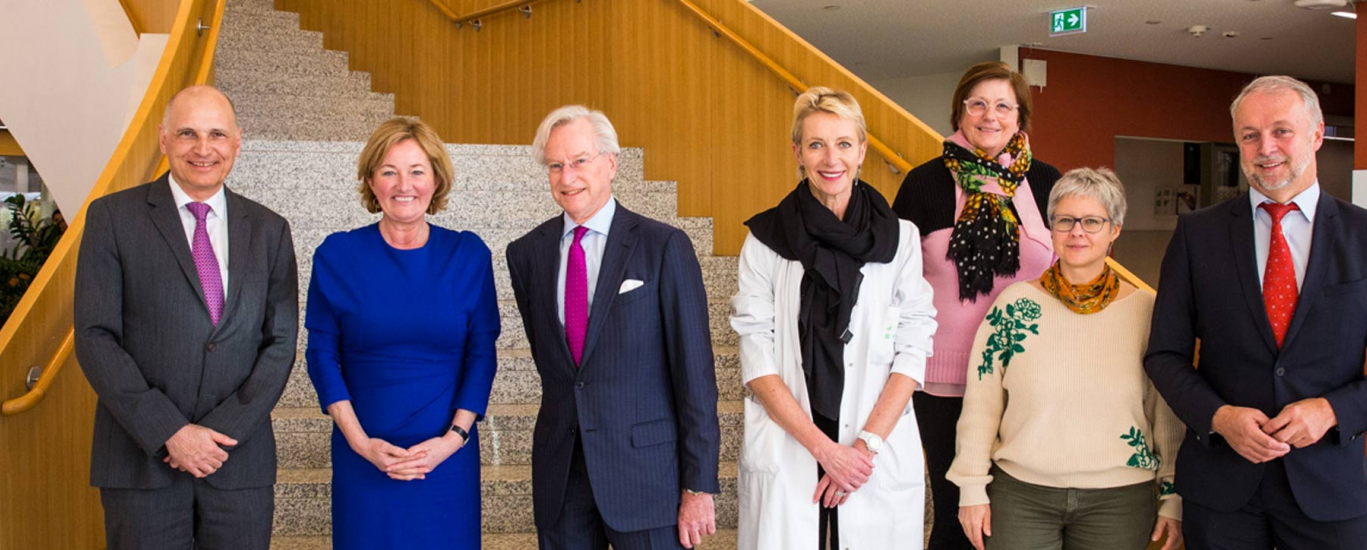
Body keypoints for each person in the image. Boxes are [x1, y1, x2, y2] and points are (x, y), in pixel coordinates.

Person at [1145, 75, 1367, 549]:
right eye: (1250, 135)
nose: (1266, 148)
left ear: (1317, 134)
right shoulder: (1198, 235)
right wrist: (1218, 417)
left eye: (1282, 131)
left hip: (1329, 487)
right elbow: (1165, 355)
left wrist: (1330, 411)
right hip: (1222, 488)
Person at [74, 85, 298, 549]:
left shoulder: (270, 229)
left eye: (216, 134)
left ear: (237, 142)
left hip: (238, 463)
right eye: (187, 133)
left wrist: (222, 435)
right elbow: (96, 336)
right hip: (142, 461)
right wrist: (169, 431)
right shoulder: (112, 218)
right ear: (163, 140)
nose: (203, 148)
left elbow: (279, 342)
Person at [504, 105, 721, 550]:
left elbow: (695, 374)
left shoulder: (663, 246)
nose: (568, 177)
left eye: (580, 161)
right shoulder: (527, 254)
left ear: (611, 163)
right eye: (555, 165)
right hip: (562, 478)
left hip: (646, 478)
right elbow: (558, 367)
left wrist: (698, 487)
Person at [732, 87, 938, 550]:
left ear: (862, 149)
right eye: (816, 144)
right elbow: (757, 356)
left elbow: (914, 340)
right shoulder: (766, 240)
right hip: (795, 437)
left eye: (844, 143)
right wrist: (825, 450)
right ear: (797, 152)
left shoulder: (900, 238)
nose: (831, 158)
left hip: (874, 440)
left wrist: (863, 450)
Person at [945, 168, 1183, 550]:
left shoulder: (1148, 311)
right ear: (1051, 228)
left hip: (1119, 500)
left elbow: (1165, 412)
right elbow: (982, 403)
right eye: (1065, 220)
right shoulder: (1014, 306)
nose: (1077, 232)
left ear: (1115, 230)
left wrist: (1173, 494)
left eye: (1092, 221)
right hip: (1022, 496)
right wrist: (971, 487)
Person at [304, 117, 500, 549]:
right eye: (389, 171)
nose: (403, 184)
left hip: (446, 458)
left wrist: (454, 440)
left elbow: (482, 354)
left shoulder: (468, 254)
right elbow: (320, 353)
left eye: (416, 171)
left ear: (436, 180)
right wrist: (360, 442)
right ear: (371, 181)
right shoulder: (338, 254)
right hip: (365, 455)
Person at [889, 60, 1062, 550]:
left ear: (1019, 116)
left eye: (1003, 105)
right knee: (955, 516)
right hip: (945, 380)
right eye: (978, 104)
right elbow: (893, 281)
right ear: (959, 113)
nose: (991, 115)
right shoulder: (924, 184)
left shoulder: (1048, 182)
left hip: (1029, 375)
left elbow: (1072, 266)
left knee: (1020, 513)